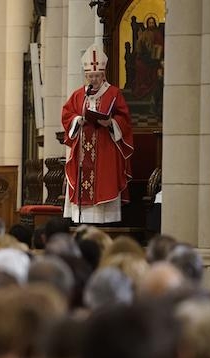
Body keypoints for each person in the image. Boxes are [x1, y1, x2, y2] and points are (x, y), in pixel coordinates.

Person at [61, 43, 134, 224]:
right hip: (82, 150)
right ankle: (82, 220)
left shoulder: (114, 93)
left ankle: (105, 220)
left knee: (104, 183)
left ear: (103, 75)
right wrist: (78, 120)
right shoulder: (79, 95)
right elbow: (67, 115)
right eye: (90, 76)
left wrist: (111, 123)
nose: (93, 80)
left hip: (105, 147)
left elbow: (124, 118)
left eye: (96, 76)